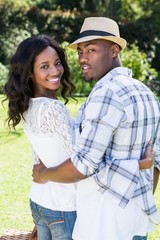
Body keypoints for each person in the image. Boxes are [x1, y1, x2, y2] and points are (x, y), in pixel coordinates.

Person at [32, 17, 160, 240]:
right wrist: (138, 189)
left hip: (104, 221)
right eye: (80, 51)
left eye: (91, 50)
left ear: (114, 50)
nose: (83, 58)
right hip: (138, 219)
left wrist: (44, 174)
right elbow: (156, 161)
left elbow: (84, 165)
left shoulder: (107, 93)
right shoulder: (146, 93)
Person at [4, 35, 78, 240]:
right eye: (44, 66)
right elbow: (82, 162)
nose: (55, 71)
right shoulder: (53, 108)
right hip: (64, 206)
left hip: (39, 201)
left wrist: (42, 174)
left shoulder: (27, 106)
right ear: (29, 73)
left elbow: (39, 156)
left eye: (57, 63)